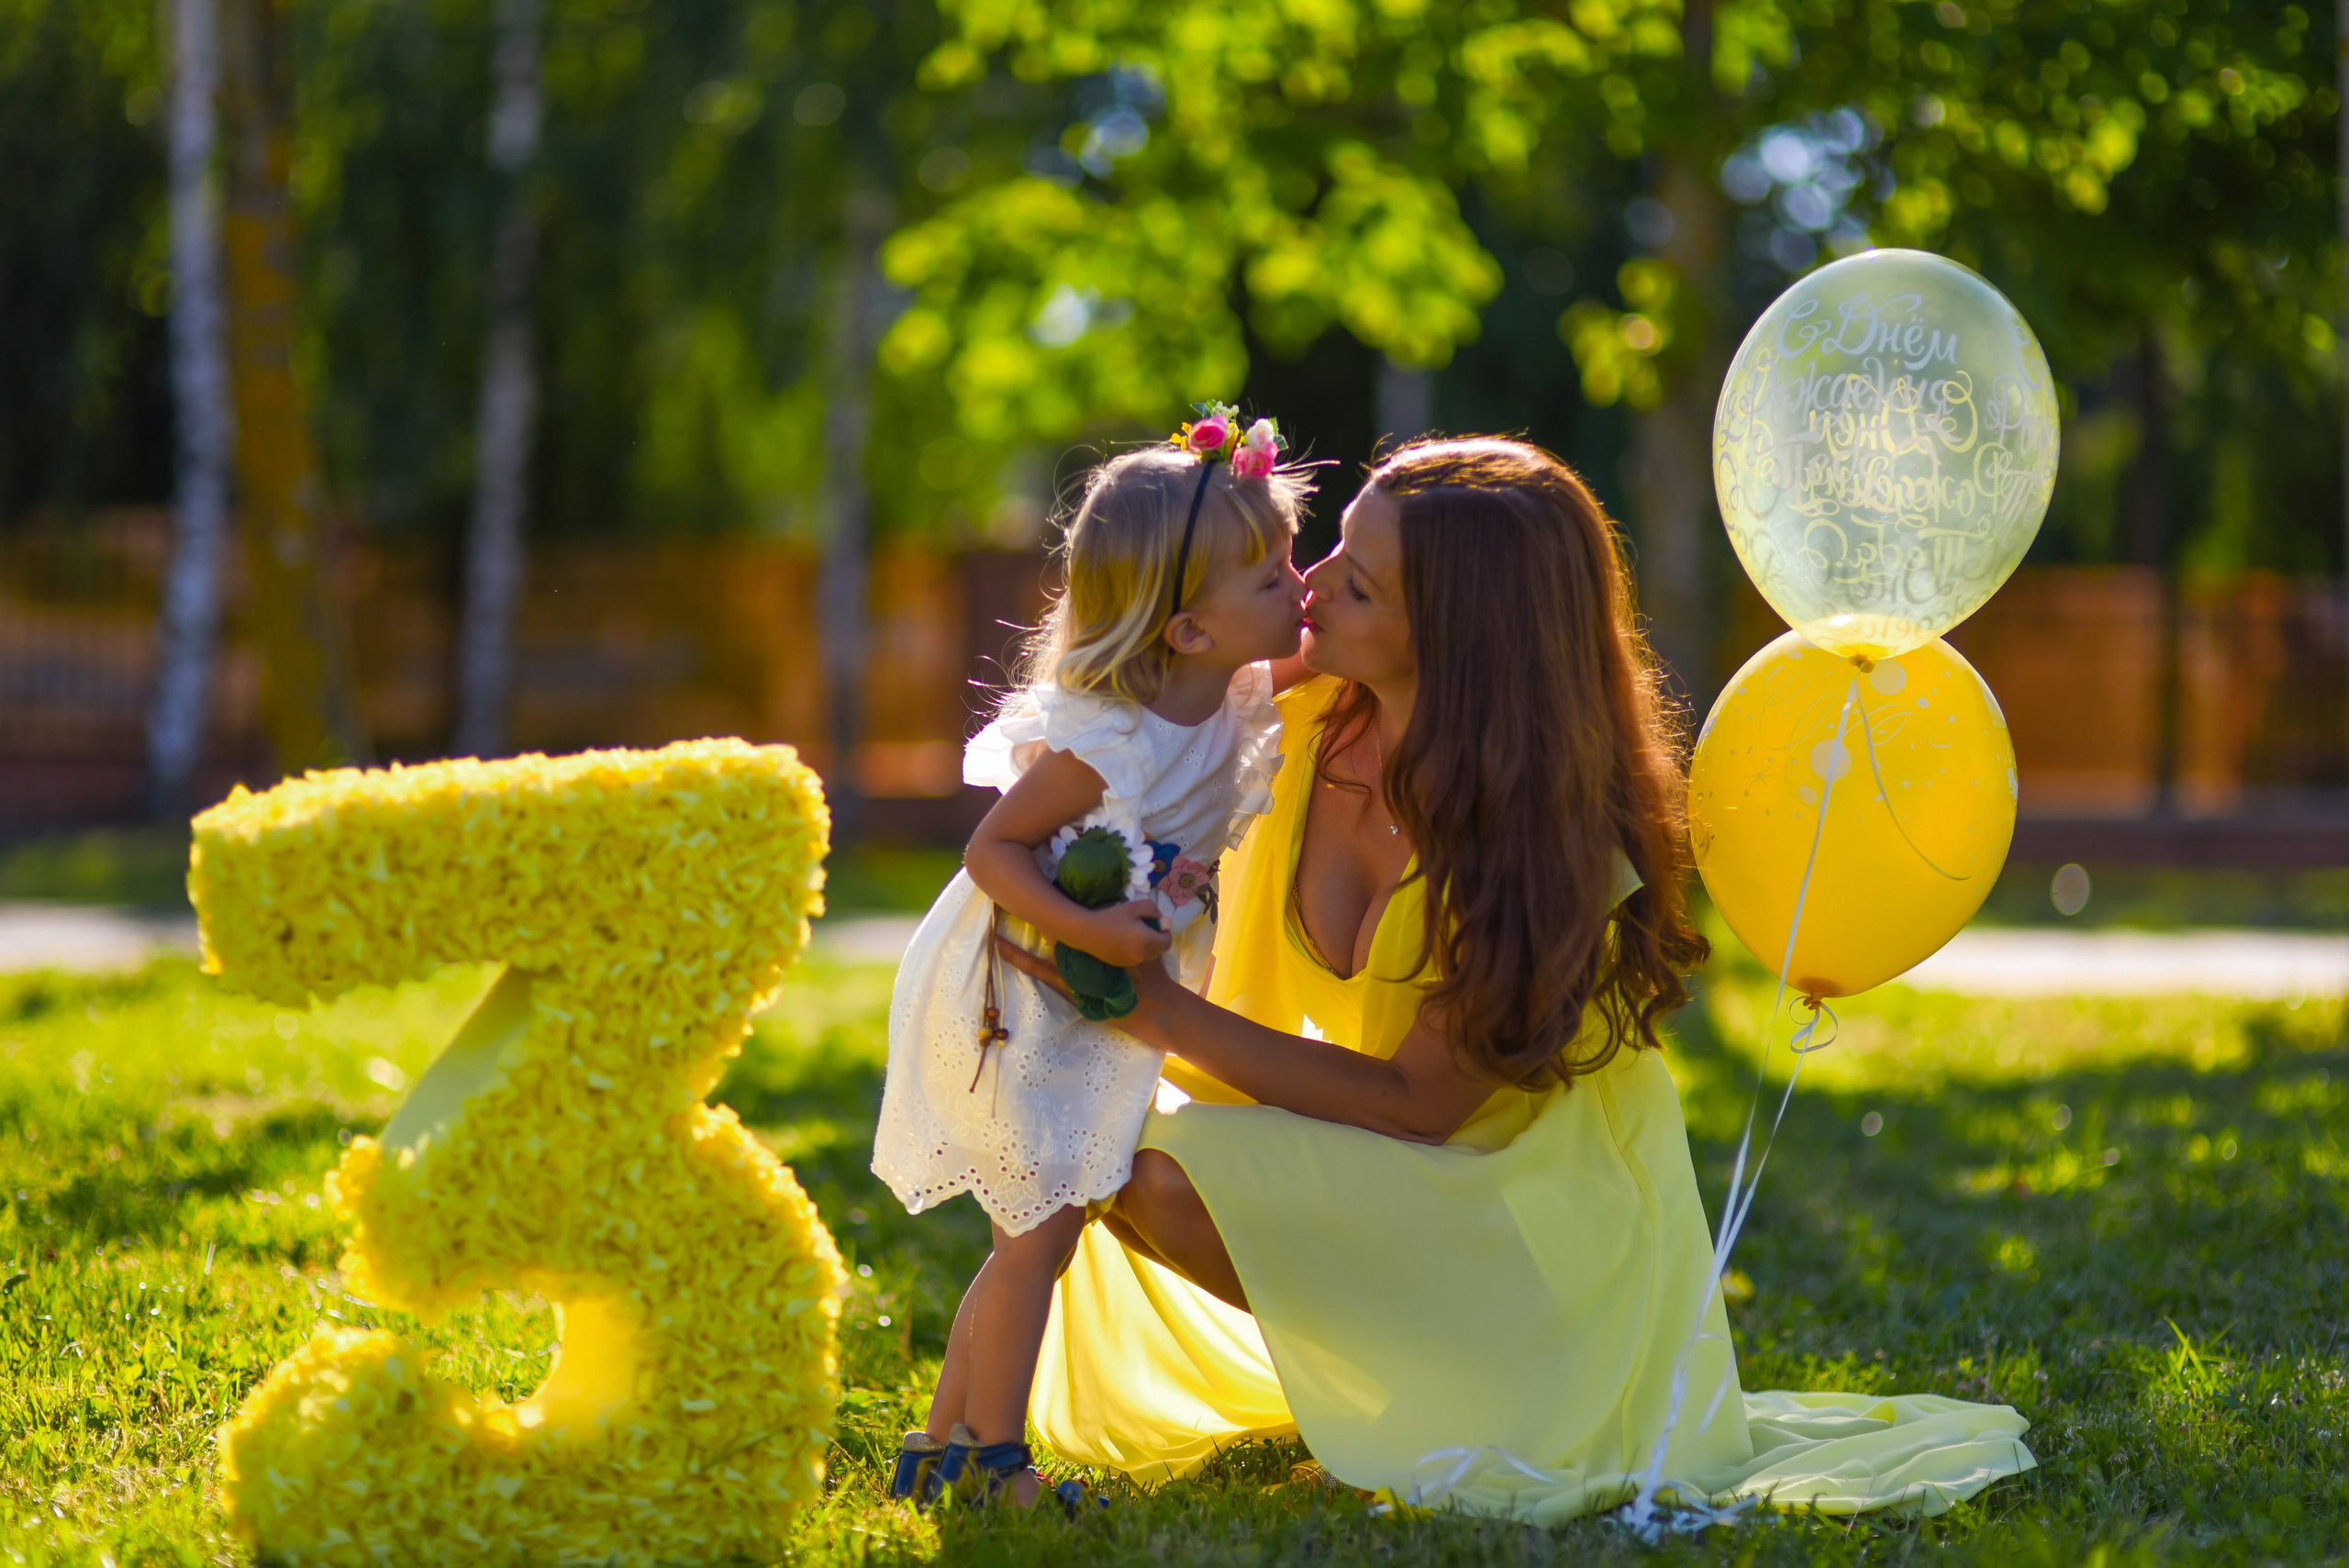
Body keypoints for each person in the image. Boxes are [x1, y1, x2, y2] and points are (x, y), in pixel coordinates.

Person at [1007, 438, 2038, 1523]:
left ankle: (1452, 1387)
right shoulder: (1294, 723)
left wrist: (1164, 1014)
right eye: (1332, 553)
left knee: (1151, 1166)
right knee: (1096, 1138)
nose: (1308, 588)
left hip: (1525, 1230)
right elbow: (1107, 727)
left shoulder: (1548, 835)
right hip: (1384, 1170)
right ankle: (1381, 1384)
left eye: (1354, 582)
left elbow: (1421, 1107)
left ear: (1457, 637)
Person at [869, 406, 1312, 1509]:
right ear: (1188, 632)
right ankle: (994, 1463)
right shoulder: (1111, 731)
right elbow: (991, 851)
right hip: (1027, 985)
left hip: (1096, 994)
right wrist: (1098, 932)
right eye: (1272, 576)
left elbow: (1341, 653)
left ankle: (940, 1451)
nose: (1300, 585)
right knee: (1042, 1231)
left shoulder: (1235, 687)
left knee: (1032, 1225)